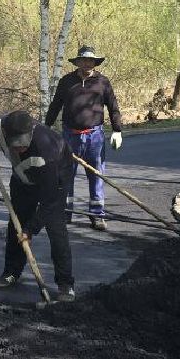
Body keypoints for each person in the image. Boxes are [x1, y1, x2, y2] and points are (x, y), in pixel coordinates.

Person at [0, 109, 76, 301]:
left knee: (56, 229)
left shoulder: (47, 149)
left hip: (55, 180)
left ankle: (65, 284)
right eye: (16, 145)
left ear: (31, 132)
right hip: (22, 179)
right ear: (7, 135)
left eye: (23, 145)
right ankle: (11, 272)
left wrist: (30, 230)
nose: (20, 149)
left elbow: (49, 202)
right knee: (15, 224)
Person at [45, 45, 123, 231]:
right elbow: (55, 105)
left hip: (94, 136)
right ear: (78, 62)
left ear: (95, 63)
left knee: (96, 175)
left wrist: (117, 130)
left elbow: (113, 106)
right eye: (83, 60)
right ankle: (65, 213)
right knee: (65, 176)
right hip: (69, 136)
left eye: (90, 61)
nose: (87, 64)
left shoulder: (102, 82)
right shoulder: (66, 81)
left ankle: (96, 215)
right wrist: (45, 128)